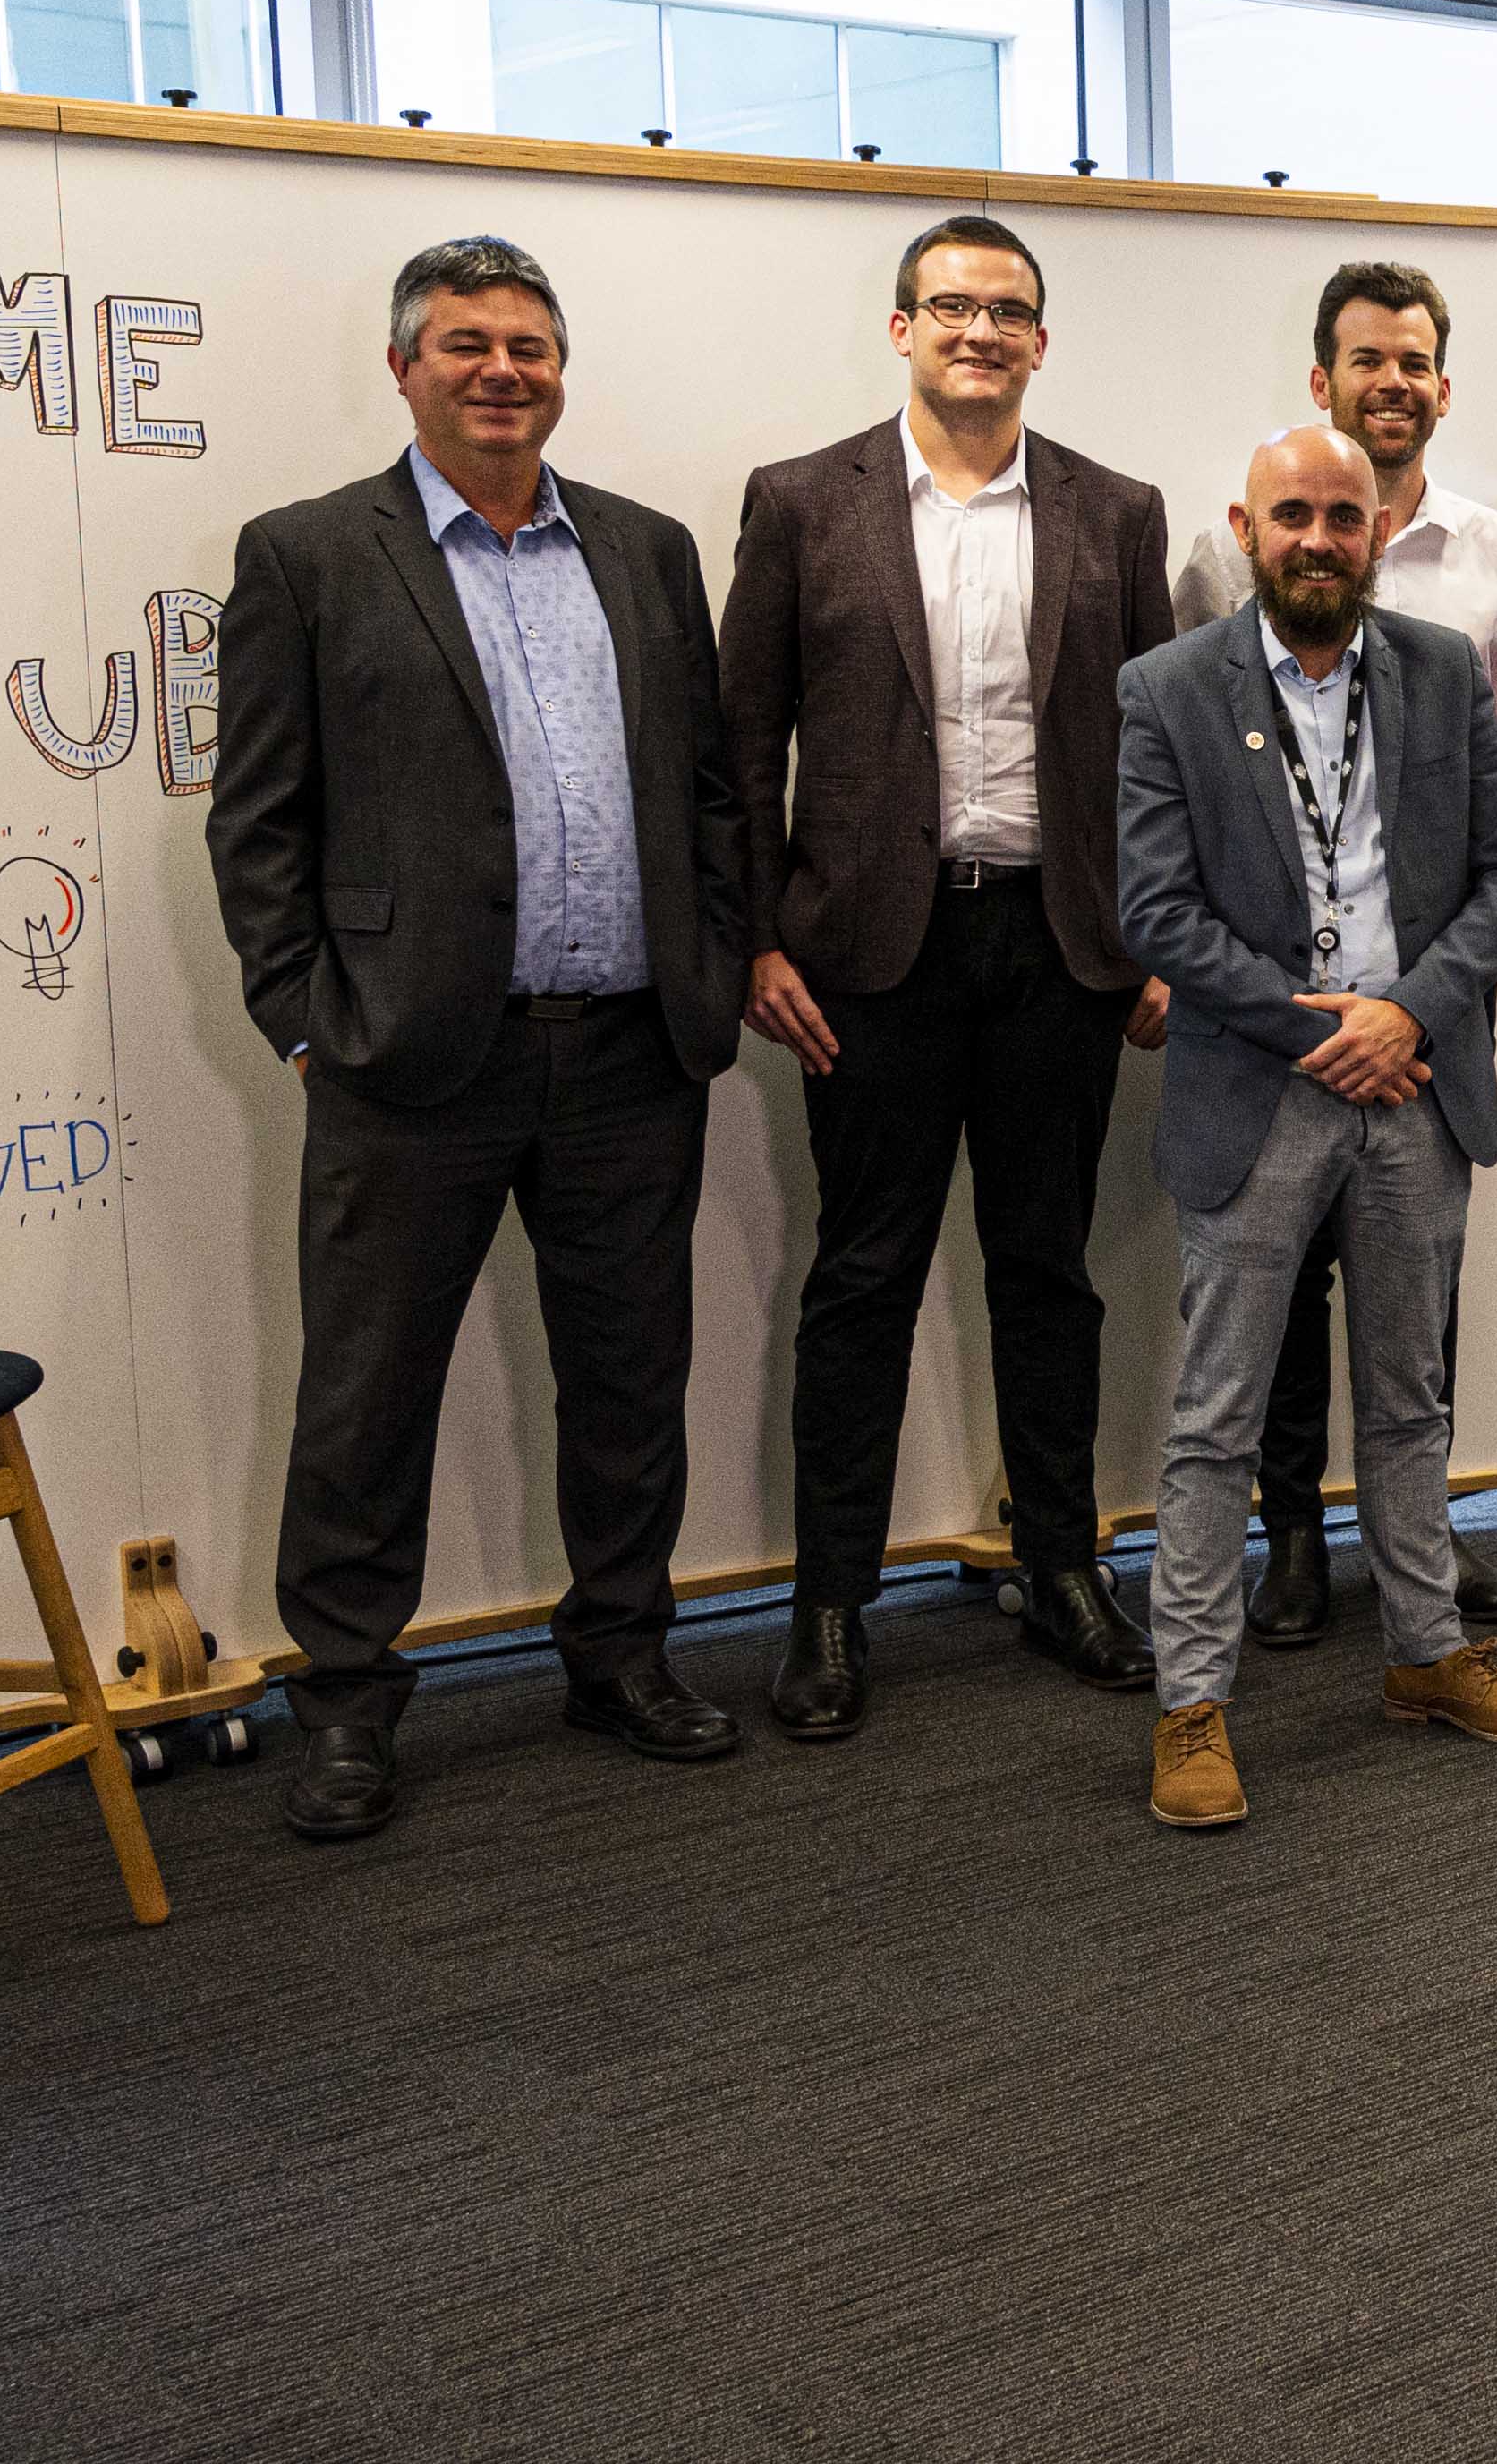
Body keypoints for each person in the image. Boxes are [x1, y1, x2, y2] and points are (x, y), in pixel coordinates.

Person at [203, 235, 751, 1840]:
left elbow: (708, 791)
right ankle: (354, 1702)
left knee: (630, 1380)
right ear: (404, 370)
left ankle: (622, 1652)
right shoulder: (308, 553)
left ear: (560, 370)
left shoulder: (646, 554)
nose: (501, 369)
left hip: (630, 1049)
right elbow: (257, 821)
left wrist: (704, 969)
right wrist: (308, 1023)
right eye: (465, 345)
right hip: (409, 1059)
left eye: (528, 344)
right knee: (368, 1392)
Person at [719, 216, 1177, 1740]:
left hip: (1056, 952)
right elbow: (738, 745)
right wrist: (753, 941)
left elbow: (1152, 755)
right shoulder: (801, 506)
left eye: (1009, 312)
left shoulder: (1117, 515)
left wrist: (1152, 935)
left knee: (1046, 1276)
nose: (980, 331)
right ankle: (829, 1605)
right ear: (901, 327)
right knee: (861, 1283)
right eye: (953, 306)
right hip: (866, 963)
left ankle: (1062, 1572)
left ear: (1039, 342)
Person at [1111, 425, 1497, 1829]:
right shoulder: (1169, 690)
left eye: (1345, 517)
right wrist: (1322, 1028)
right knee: (1215, 1419)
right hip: (1265, 1089)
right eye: (1292, 515)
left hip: (1416, 1087)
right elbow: (1154, 912)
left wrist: (1411, 1014)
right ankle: (1192, 1704)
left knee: (1411, 1403)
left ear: (1378, 530)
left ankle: (1428, 1656)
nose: (1320, 538)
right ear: (1246, 530)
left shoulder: (1438, 674)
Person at [1170, 263, 1497, 1652]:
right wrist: (1279, 1006)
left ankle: (1419, 1559)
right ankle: (1290, 1547)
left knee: (1414, 1298)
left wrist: (1422, 1002)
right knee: (1272, 1300)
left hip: (1431, 997)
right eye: (1366, 358)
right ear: (1322, 377)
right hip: (1268, 1014)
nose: (1393, 380)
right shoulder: (1231, 559)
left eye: (1416, 360)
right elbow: (1190, 803)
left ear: (1441, 386)